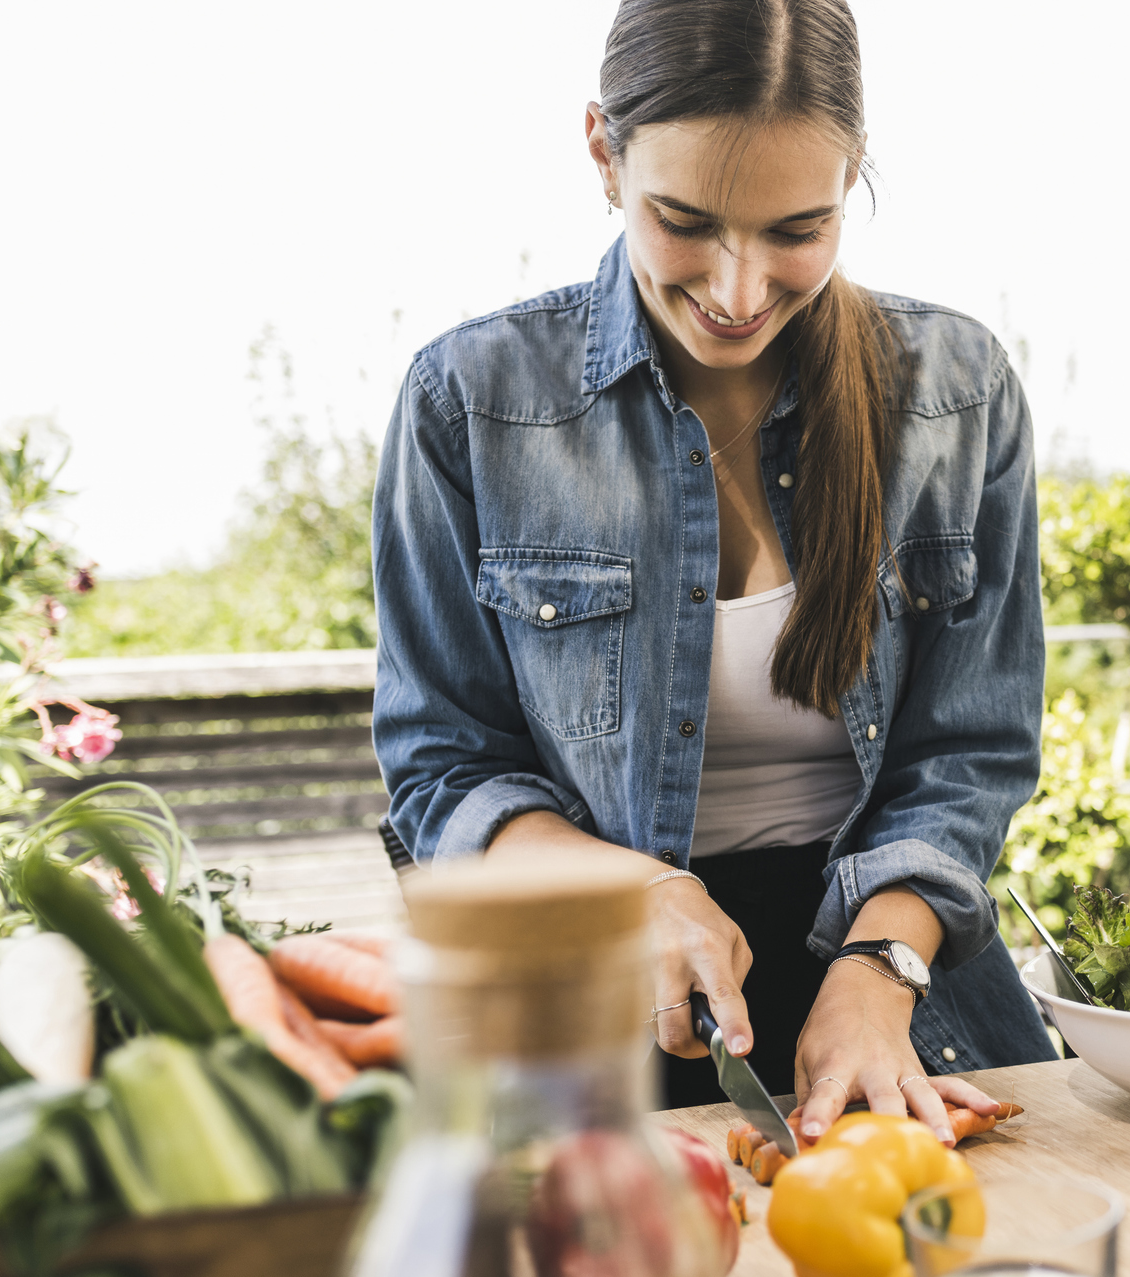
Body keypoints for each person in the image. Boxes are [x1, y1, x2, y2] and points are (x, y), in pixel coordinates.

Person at [371, 0, 1053, 1148]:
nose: (739, 291)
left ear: (854, 180)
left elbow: (970, 750)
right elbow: (443, 773)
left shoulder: (957, 390)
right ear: (603, 153)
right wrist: (640, 890)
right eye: (684, 220)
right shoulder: (471, 402)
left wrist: (878, 968)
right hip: (582, 1023)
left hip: (906, 1006)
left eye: (798, 229)